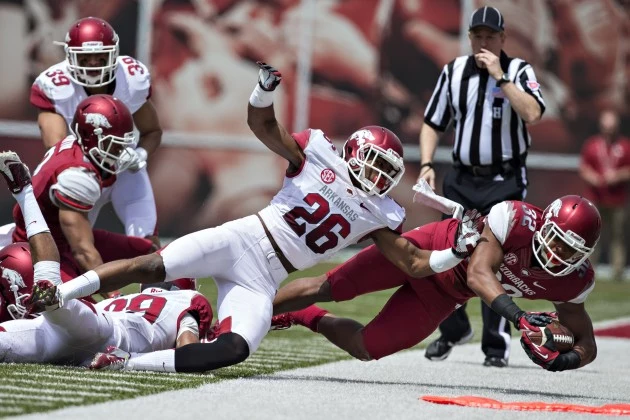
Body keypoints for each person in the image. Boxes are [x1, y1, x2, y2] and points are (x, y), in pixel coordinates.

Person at [28, 61, 471, 374]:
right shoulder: (316, 154)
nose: (375, 177)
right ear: (353, 151)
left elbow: (413, 263)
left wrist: (455, 252)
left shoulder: (382, 211)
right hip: (241, 238)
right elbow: (262, 126)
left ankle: (126, 363)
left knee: (232, 350)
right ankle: (61, 293)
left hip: (266, 277)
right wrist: (263, 91)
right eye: (372, 163)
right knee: (153, 264)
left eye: (384, 173)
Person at [271, 195, 601, 372]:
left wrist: (565, 360)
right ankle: (245, 315)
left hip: (445, 295)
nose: (559, 253)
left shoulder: (573, 281)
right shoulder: (515, 219)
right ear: (542, 226)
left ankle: (303, 315)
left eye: (572, 250)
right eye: (557, 240)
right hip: (429, 251)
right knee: (330, 286)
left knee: (365, 348)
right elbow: (478, 273)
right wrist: (519, 317)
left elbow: (586, 342)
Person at [416, 6, 546, 367]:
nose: (484, 42)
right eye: (478, 35)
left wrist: (500, 77)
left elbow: (533, 113)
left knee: (494, 260)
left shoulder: (519, 71)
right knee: (445, 251)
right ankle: (454, 328)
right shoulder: (454, 71)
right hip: (461, 177)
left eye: (491, 36)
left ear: (503, 39)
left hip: (503, 179)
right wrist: (427, 163)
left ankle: (495, 345)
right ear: (469, 37)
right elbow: (432, 122)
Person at [0, 151, 212, 366]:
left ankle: (25, 193)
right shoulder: (187, 300)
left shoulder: (119, 299)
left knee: (49, 306)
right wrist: (129, 362)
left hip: (65, 329)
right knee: (55, 299)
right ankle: (26, 195)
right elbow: (189, 355)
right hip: (102, 335)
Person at [30, 16, 161, 245]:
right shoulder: (55, 85)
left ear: (114, 53)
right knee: (71, 246)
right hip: (78, 172)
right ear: (70, 56)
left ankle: (154, 283)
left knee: (146, 241)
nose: (92, 63)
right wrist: (90, 167)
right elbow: (57, 149)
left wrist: (140, 155)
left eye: (99, 56)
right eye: (84, 57)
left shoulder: (131, 79)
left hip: (123, 166)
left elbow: (152, 131)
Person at [10, 94, 156, 292]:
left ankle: (163, 300)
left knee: (153, 253)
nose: (122, 149)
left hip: (64, 241)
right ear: (90, 137)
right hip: (45, 254)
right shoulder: (78, 176)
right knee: (83, 314)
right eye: (115, 142)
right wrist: (115, 298)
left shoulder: (76, 146)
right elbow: (84, 253)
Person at [579, 109, 630, 281]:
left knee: (618, 236)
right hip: (595, 197)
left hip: (617, 199)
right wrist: (592, 177)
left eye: (611, 127)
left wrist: (618, 175)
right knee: (592, 236)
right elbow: (584, 167)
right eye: (605, 127)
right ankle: (589, 270)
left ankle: (618, 272)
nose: (608, 130)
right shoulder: (592, 144)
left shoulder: (625, 146)